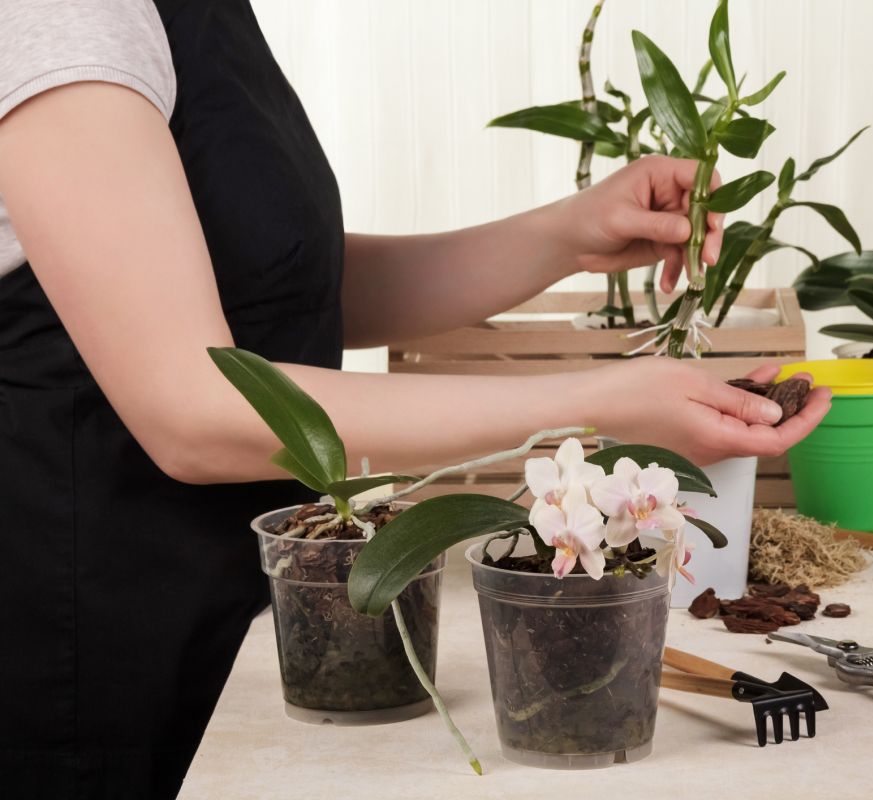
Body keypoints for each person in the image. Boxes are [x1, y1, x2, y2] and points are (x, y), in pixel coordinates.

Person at [0, 1, 831, 797]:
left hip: (228, 604)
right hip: (95, 640)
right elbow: (193, 409)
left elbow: (276, 289)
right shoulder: (62, 13)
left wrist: (565, 234)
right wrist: (596, 406)